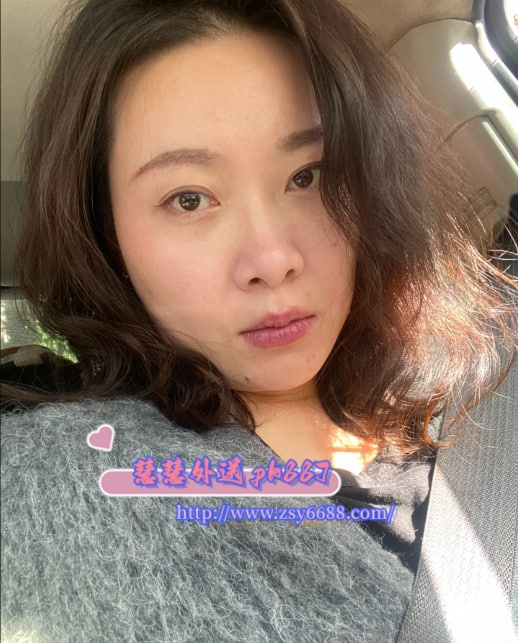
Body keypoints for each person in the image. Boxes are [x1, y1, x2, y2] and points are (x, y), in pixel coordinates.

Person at [1, 0, 517, 640]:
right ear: (109, 235)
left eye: (309, 175)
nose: (273, 260)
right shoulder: (57, 485)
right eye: (189, 198)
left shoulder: (488, 396)